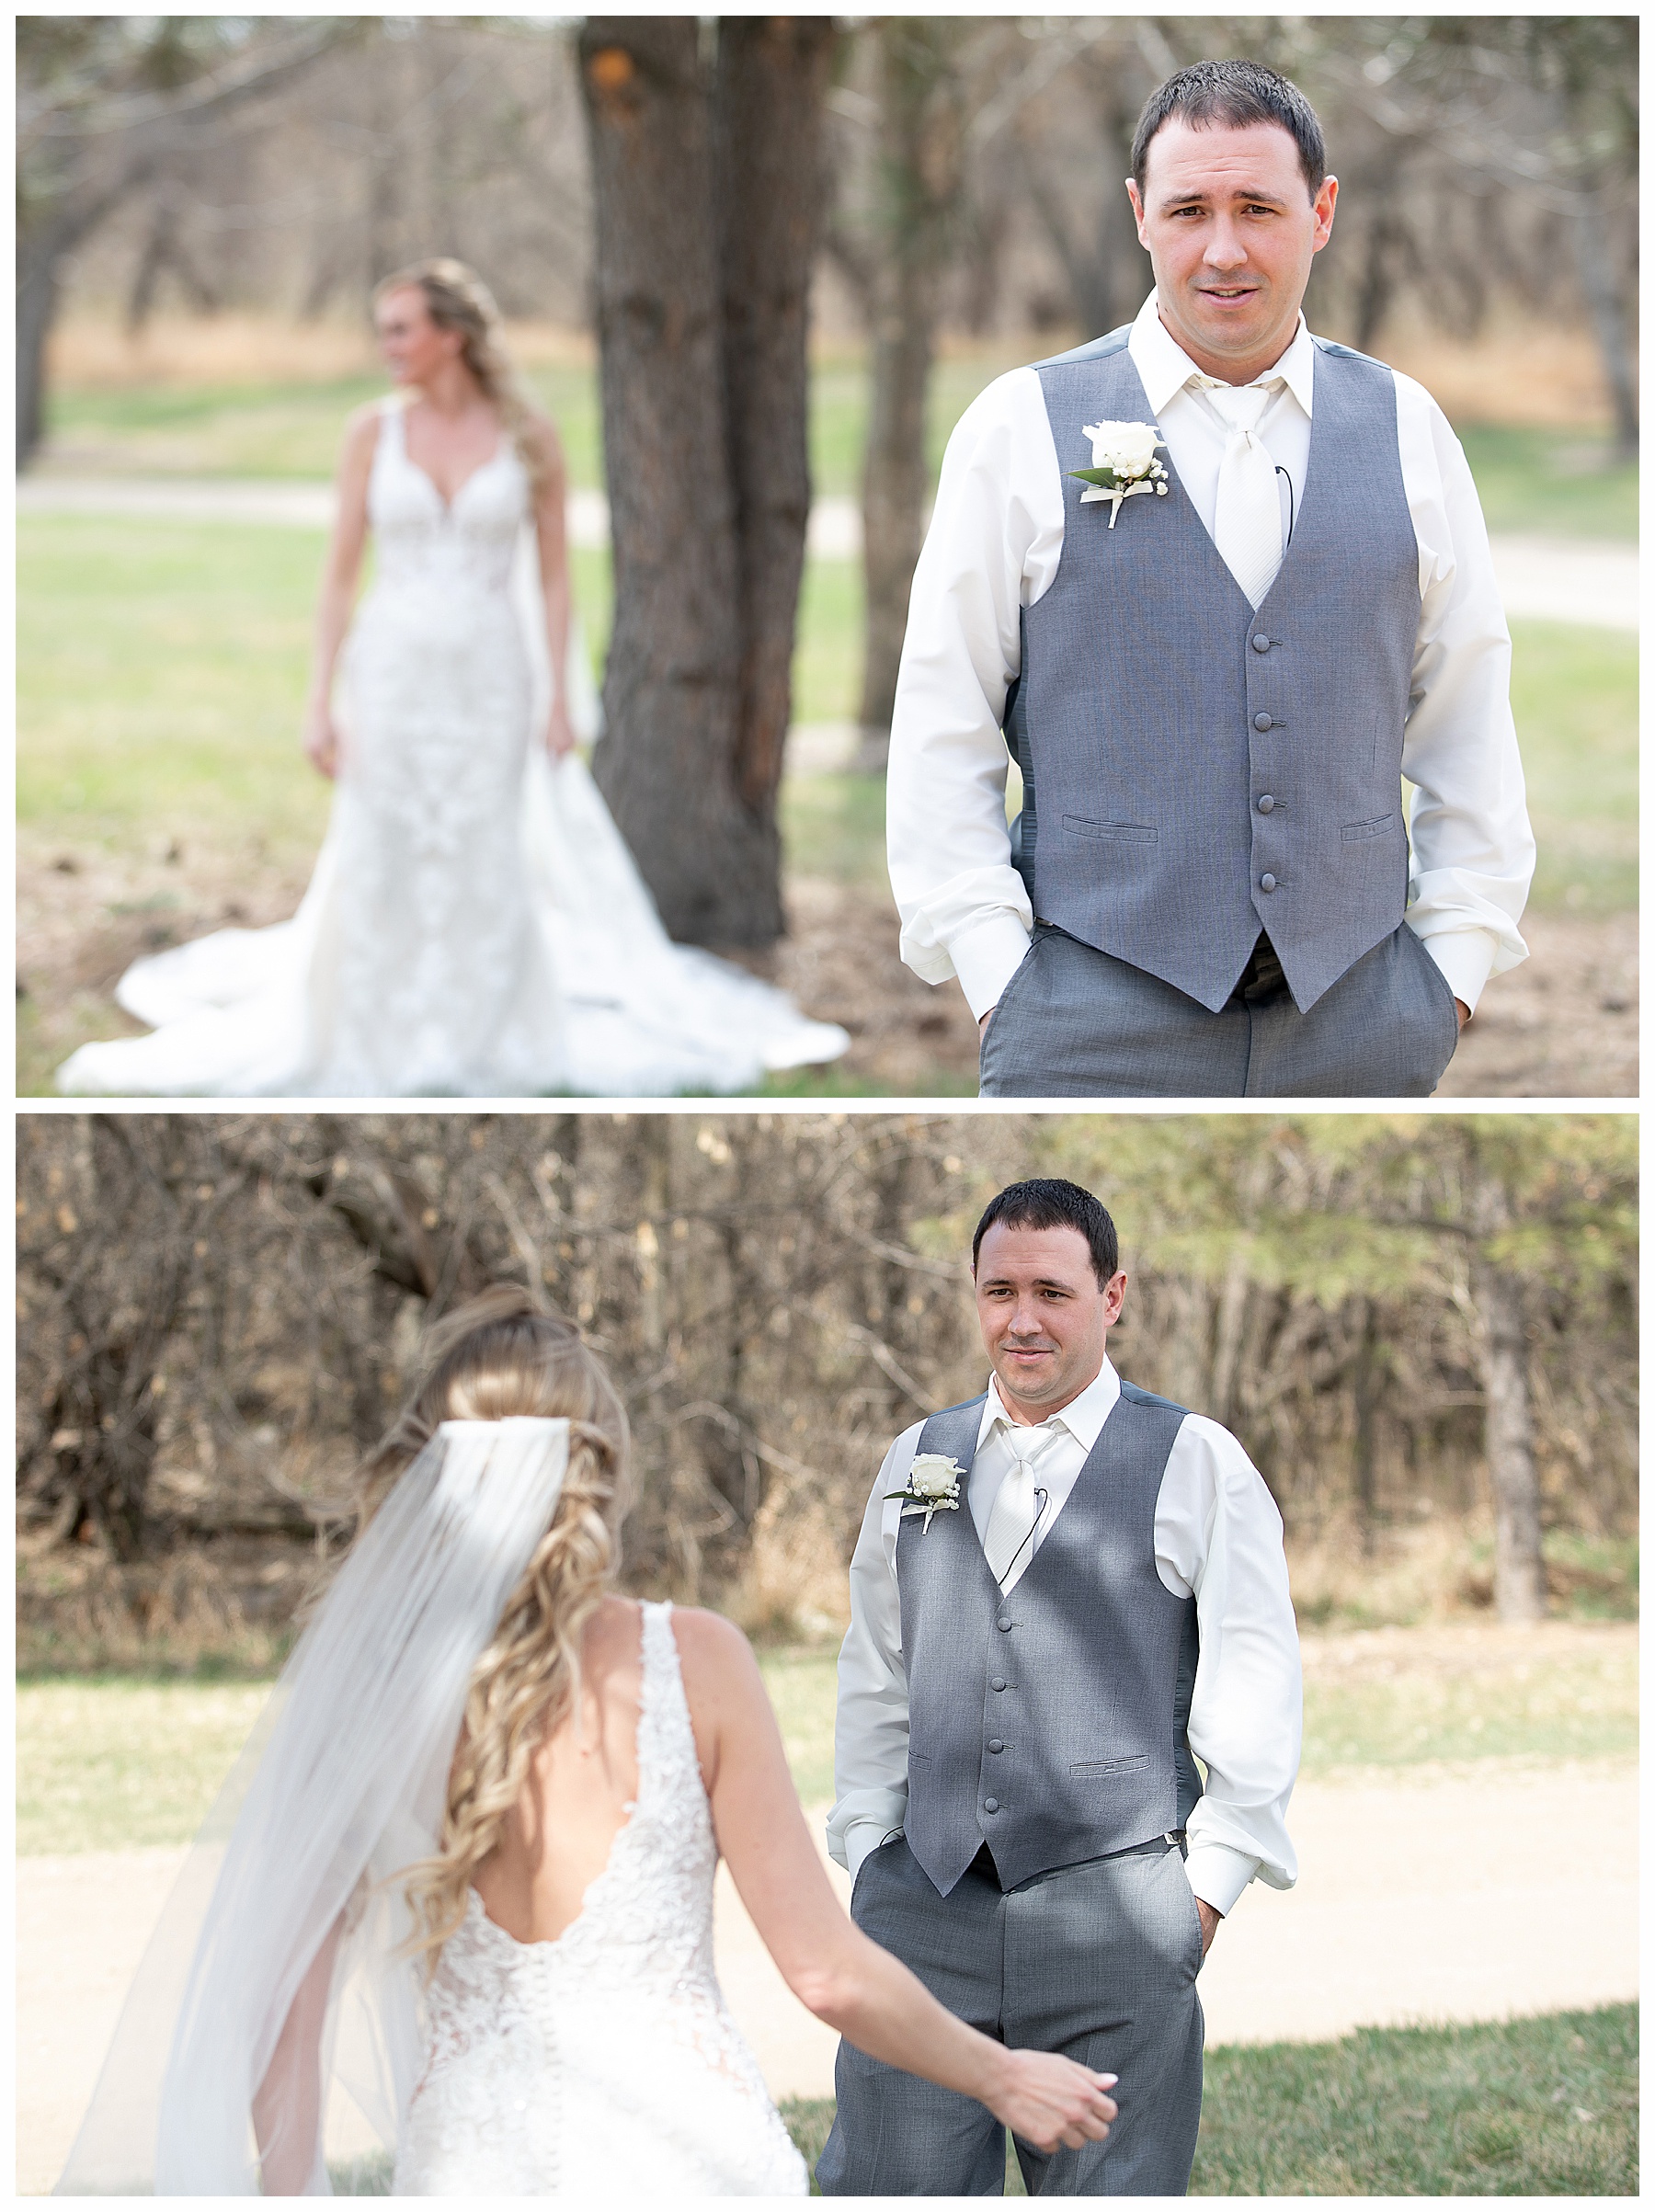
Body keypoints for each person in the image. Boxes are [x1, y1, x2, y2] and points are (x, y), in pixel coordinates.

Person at [55, 1288, 1116, 2196]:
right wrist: (998, 2073)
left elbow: (283, 2003)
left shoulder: (377, 1697)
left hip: (471, 2167)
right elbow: (826, 1974)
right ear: (599, 1472)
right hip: (687, 2159)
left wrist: (292, 2195)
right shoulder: (695, 1661)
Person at [887, 61, 1535, 1097]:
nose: (1223, 249)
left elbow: (1468, 714)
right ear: (1141, 214)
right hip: (1089, 1020)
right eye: (1189, 209)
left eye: (1258, 208)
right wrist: (996, 977)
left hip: (1361, 1022)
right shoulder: (1019, 425)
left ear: (1320, 214)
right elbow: (942, 721)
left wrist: (1449, 975)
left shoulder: (1409, 429)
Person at [55, 260, 848, 1099]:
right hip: (392, 673)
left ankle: (483, 1031)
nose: (387, 346)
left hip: (490, 678)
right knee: (382, 848)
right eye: (384, 330)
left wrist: (555, 697)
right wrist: (319, 700)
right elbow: (337, 576)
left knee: (483, 852)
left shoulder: (527, 434)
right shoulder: (371, 434)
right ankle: (374, 1028)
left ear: (452, 335)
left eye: (401, 328)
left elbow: (550, 578)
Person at [819, 1178, 1302, 2195]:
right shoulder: (917, 1457)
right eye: (999, 1291)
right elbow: (876, 1672)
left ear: (1112, 1295)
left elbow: (1256, 1684)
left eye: (1052, 1291)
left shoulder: (1196, 1460)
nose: (1022, 1320)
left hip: (1119, 1919)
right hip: (922, 1919)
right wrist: (869, 1854)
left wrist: (1199, 1901)